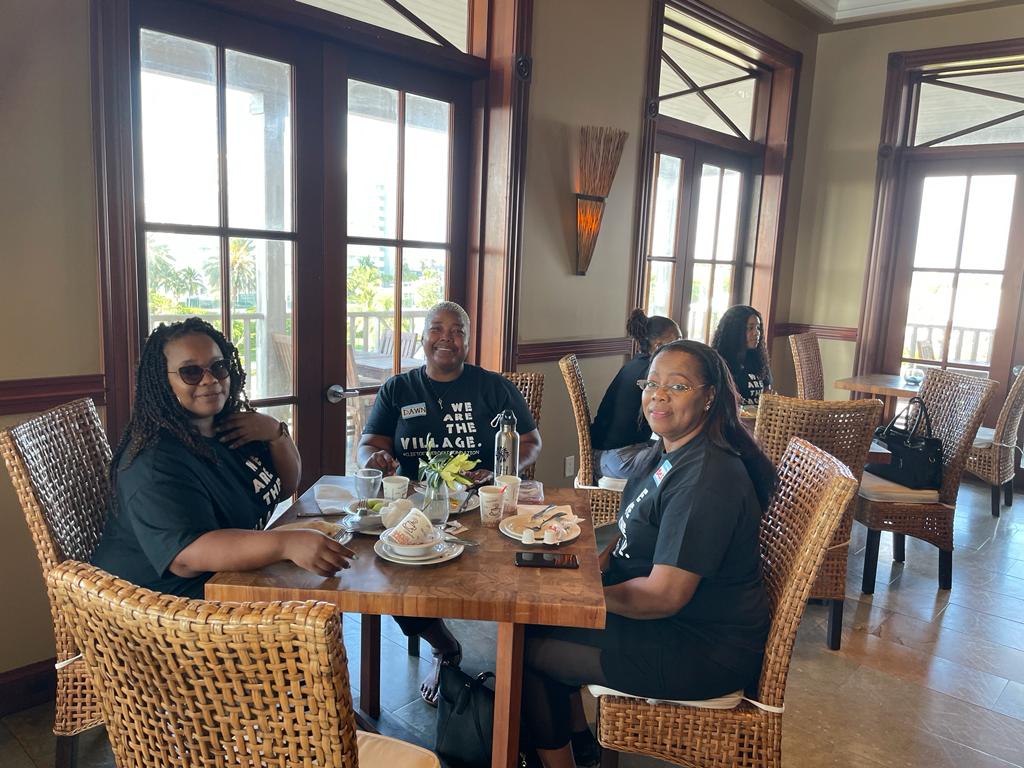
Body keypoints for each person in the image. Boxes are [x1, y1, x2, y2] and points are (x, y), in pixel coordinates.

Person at [520, 340, 777, 768]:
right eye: (652, 383)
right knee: (533, 621)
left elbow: (663, 596)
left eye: (677, 386)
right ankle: (580, 741)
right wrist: (584, 576)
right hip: (670, 623)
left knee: (525, 651)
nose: (658, 395)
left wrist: (583, 599)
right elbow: (627, 536)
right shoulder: (668, 452)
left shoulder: (706, 478)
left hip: (697, 646)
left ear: (709, 396)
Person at [357, 300, 542, 705]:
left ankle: (519, 664)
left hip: (483, 508)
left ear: (468, 341)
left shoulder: (493, 387)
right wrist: (375, 458)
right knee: (392, 575)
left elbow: (530, 441)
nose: (447, 338)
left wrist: (500, 470)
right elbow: (369, 444)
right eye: (437, 329)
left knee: (507, 577)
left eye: (458, 331)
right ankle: (443, 645)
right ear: (423, 338)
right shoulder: (398, 389)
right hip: (415, 508)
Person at [92, 318, 353, 599]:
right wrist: (285, 544)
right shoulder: (153, 462)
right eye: (191, 372)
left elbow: (283, 488)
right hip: (170, 607)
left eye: (218, 366)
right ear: (162, 381)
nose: (210, 380)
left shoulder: (231, 429)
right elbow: (186, 556)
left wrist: (276, 433)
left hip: (232, 582)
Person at [591, 309, 681, 480]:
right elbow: (665, 423)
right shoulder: (650, 374)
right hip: (617, 457)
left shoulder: (636, 364)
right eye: (676, 341)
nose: (681, 347)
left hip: (610, 452)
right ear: (658, 346)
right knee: (679, 465)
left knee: (679, 455)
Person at [711, 305, 773, 406]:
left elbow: (767, 390)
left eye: (758, 328)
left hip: (757, 415)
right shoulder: (719, 362)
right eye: (750, 328)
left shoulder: (758, 359)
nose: (756, 333)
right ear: (734, 331)